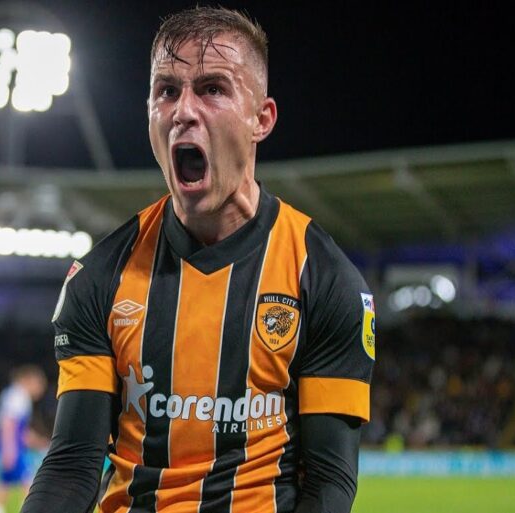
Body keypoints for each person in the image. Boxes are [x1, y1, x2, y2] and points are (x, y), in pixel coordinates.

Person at [21, 6, 375, 513]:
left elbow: (328, 482)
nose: (183, 110)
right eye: (166, 91)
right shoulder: (99, 277)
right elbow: (72, 466)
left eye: (212, 89)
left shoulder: (322, 277)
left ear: (261, 119)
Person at [0, 365, 48, 513]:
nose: (41, 389)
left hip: (11, 446)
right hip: (13, 448)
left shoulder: (14, 394)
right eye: (39, 384)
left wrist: (37, 441)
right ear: (28, 380)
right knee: (30, 485)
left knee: (3, 484)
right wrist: (9, 449)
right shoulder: (18, 396)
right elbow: (8, 424)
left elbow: (19, 429)